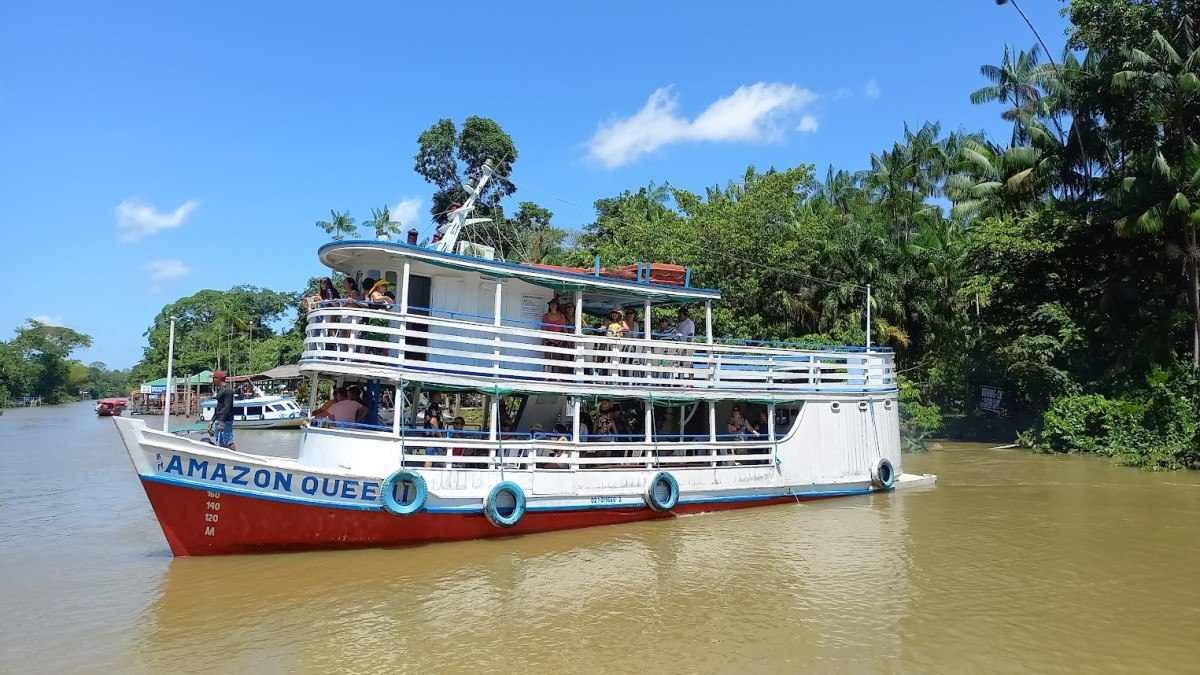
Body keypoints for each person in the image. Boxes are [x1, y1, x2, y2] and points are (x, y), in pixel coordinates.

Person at [208, 370, 237, 450]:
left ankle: (235, 457)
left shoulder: (228, 390)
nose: (212, 380)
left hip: (226, 420)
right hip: (219, 419)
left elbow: (227, 407)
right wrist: (212, 421)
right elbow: (219, 407)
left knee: (228, 441)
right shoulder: (221, 390)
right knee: (220, 441)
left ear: (217, 379)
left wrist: (222, 421)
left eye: (213, 378)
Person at [542, 298, 568, 372]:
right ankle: (546, 376)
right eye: (551, 304)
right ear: (549, 306)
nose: (553, 306)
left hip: (558, 340)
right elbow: (543, 329)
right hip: (547, 340)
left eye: (554, 304)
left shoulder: (561, 316)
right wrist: (543, 340)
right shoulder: (545, 316)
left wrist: (566, 340)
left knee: (556, 359)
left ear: (557, 306)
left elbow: (564, 329)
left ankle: (556, 377)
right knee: (547, 358)